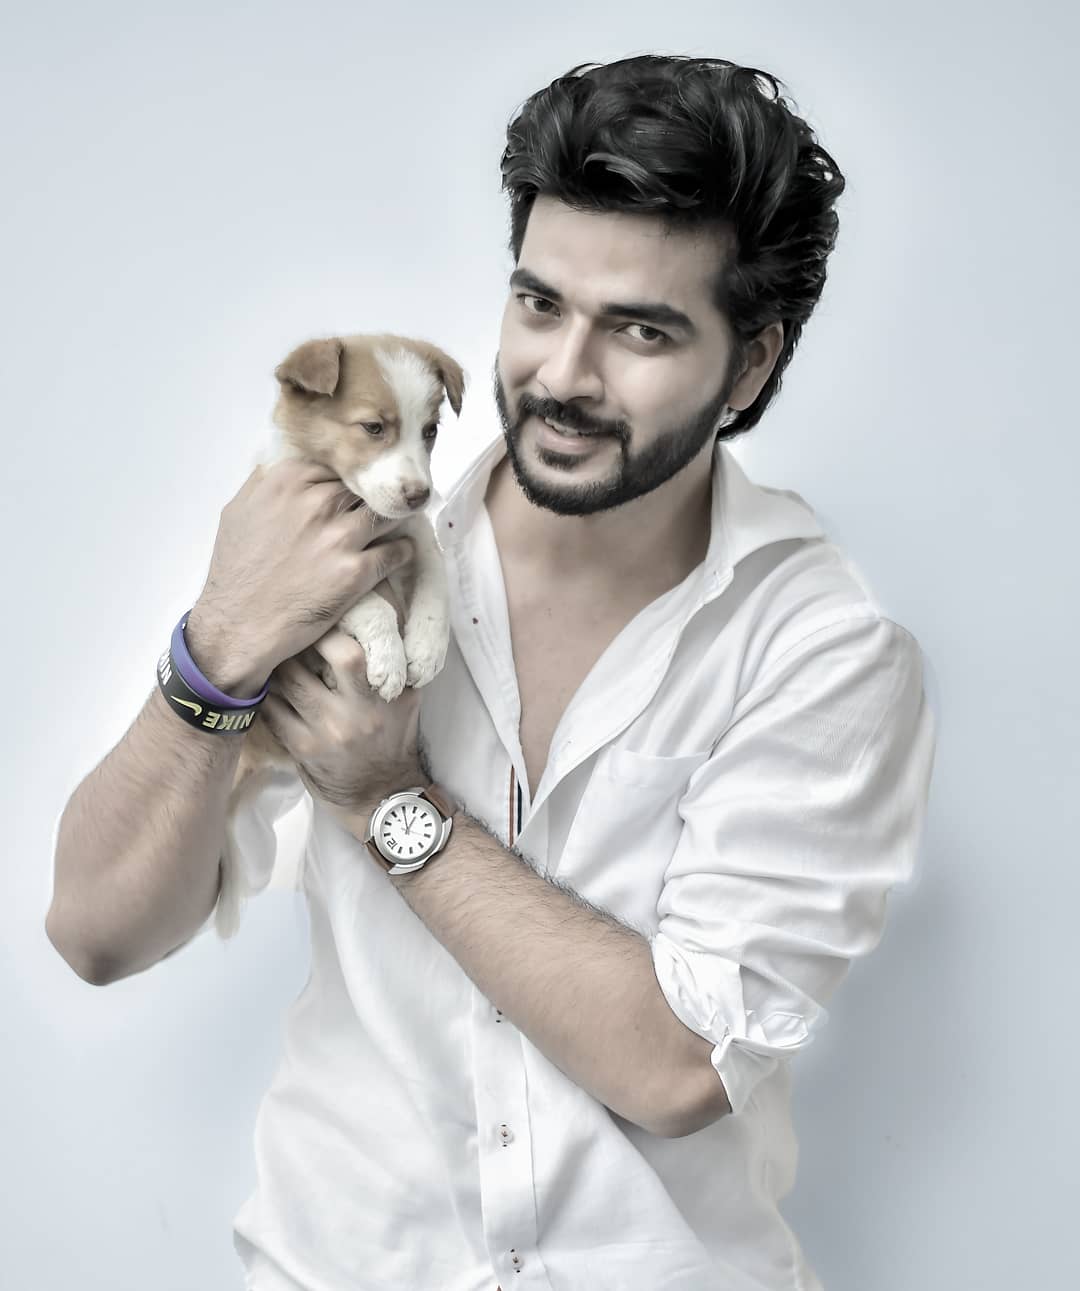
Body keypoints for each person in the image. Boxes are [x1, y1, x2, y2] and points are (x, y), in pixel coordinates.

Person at [46, 55, 937, 1291]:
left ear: (747, 365)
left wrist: (385, 799)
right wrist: (225, 640)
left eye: (641, 329)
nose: (564, 374)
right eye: (539, 303)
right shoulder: (339, 552)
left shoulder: (820, 650)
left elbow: (682, 1063)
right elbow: (96, 932)